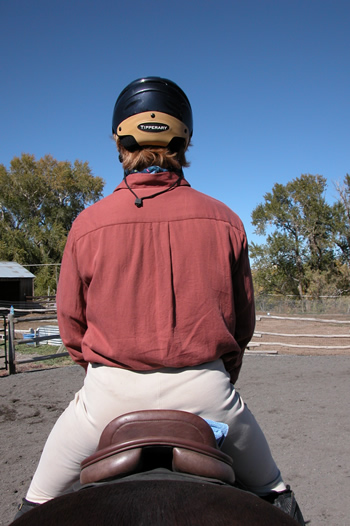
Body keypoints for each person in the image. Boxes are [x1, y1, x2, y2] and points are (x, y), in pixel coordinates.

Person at [15, 77, 305, 524]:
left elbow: (70, 328)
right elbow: (242, 327)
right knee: (275, 494)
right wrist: (213, 373)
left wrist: (104, 369)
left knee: (35, 503)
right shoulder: (225, 220)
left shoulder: (87, 225)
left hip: (107, 396)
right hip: (207, 394)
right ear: (184, 139)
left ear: (120, 141)